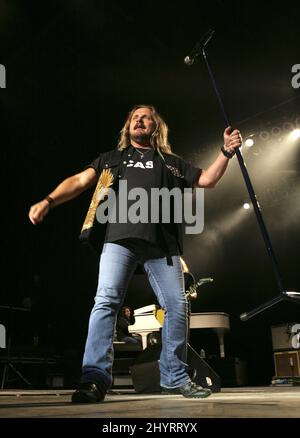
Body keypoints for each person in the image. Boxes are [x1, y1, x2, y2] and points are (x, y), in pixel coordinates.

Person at [29, 104, 242, 403]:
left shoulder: (170, 163)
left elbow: (207, 179)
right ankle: (95, 379)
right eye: (134, 118)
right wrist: (49, 201)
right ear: (128, 126)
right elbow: (79, 181)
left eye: (146, 118)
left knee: (178, 305)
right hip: (119, 241)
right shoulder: (112, 159)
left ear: (156, 127)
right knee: (105, 302)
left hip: (162, 246)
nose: (140, 120)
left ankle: (174, 377)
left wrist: (226, 151)